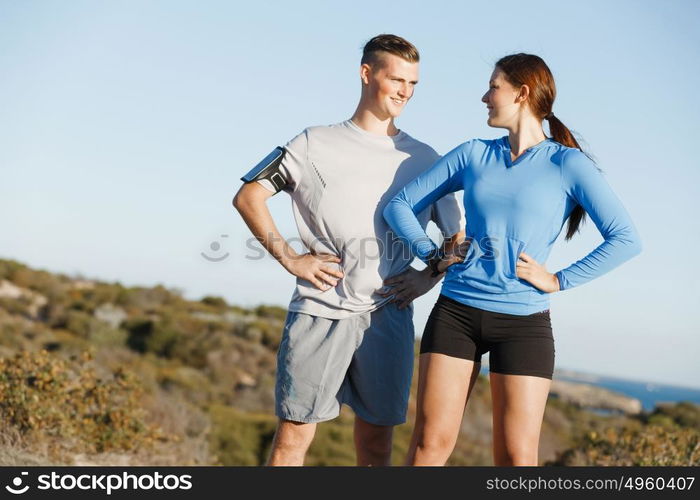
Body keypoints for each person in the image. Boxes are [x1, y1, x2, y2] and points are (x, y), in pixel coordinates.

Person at [383, 53, 642, 466]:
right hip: (456, 314)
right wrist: (433, 256)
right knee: (430, 445)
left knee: (517, 459)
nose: (485, 96)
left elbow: (625, 239)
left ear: (521, 93)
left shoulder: (567, 163)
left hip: (523, 324)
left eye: (493, 86)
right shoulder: (473, 154)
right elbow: (399, 205)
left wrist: (559, 279)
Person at [233, 34, 464, 466]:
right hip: (319, 310)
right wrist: (291, 258)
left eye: (413, 84)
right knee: (291, 442)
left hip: (388, 315)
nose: (404, 92)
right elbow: (249, 196)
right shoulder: (312, 142)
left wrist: (428, 275)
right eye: (396, 79)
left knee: (375, 447)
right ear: (366, 73)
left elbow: (457, 238)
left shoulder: (426, 159)